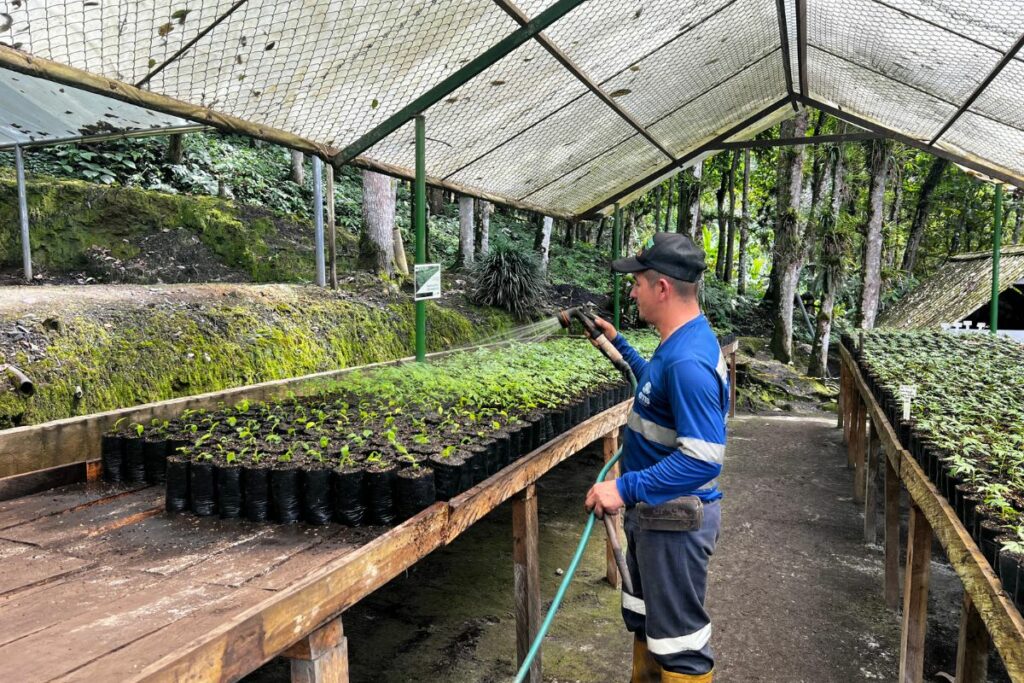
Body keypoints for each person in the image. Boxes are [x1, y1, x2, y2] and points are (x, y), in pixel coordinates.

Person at [584, 232, 728, 683]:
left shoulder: (689, 361)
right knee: (649, 625)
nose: (632, 291)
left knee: (681, 647)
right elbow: (653, 388)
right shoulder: (678, 343)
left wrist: (622, 487)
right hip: (654, 519)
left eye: (638, 283)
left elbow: (703, 460)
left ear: (662, 288)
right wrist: (618, 344)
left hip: (674, 525)